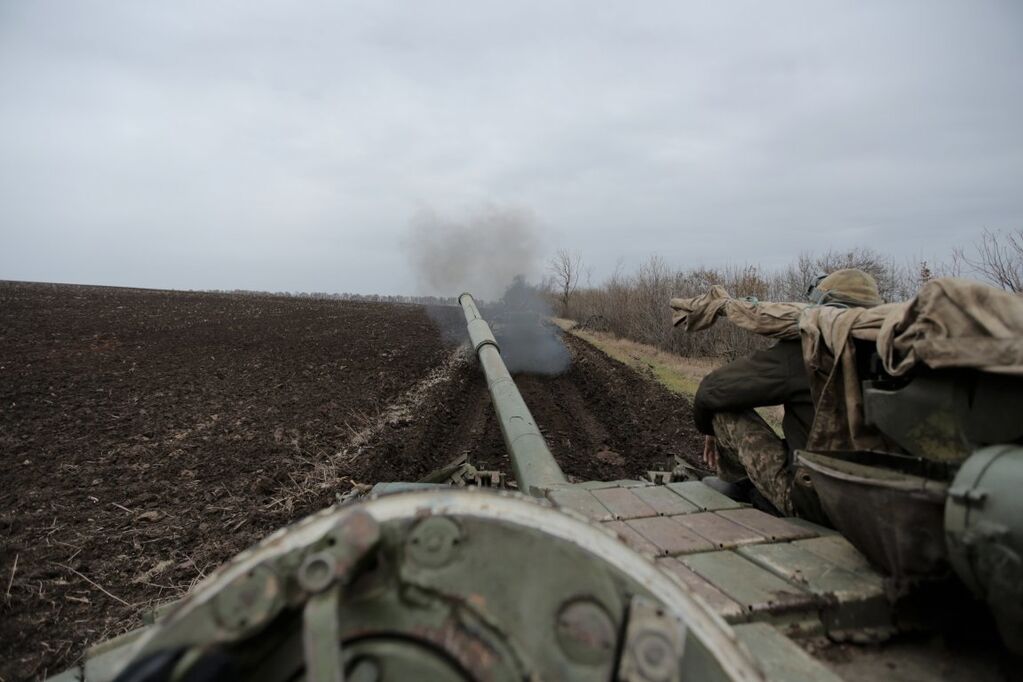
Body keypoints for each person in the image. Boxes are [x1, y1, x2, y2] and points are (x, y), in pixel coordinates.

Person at [693, 269, 884, 516]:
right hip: (880, 506)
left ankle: (740, 486)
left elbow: (712, 389)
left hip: (815, 504)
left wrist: (709, 429)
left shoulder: (810, 350)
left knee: (723, 411)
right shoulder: (896, 352)